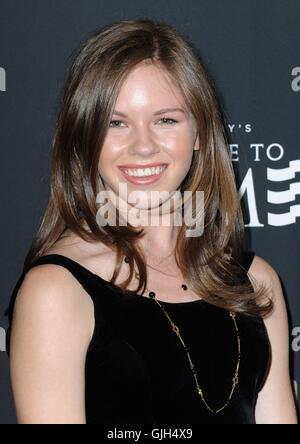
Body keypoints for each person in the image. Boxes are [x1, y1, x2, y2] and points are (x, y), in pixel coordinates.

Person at [4, 19, 298, 424]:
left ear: (199, 132)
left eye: (166, 120)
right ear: (84, 138)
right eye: (116, 122)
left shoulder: (255, 283)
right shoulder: (56, 292)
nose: (143, 146)